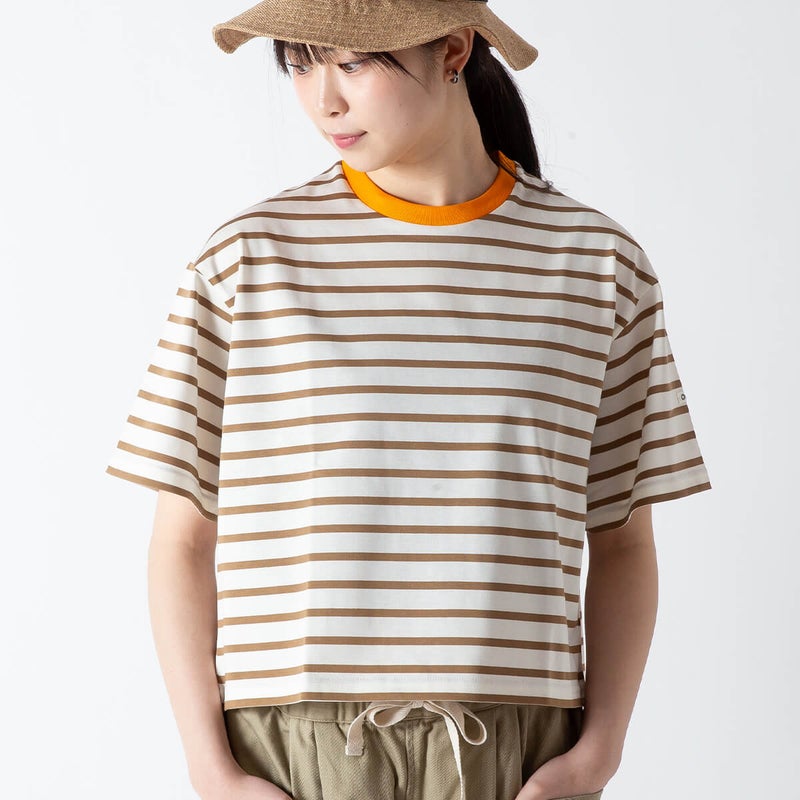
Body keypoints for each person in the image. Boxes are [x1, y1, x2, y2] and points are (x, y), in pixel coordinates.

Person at [106, 2, 712, 799]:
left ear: (453, 49)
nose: (323, 100)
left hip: (517, 743)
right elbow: (181, 539)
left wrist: (598, 751)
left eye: (352, 63)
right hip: (290, 745)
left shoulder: (597, 264)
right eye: (299, 64)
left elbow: (625, 539)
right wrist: (212, 770)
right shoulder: (248, 260)